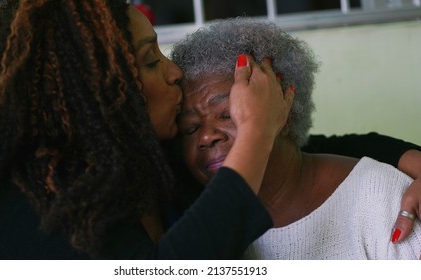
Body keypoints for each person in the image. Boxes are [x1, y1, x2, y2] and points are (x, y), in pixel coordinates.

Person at [0, 0, 293, 259]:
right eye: (151, 61)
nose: (175, 71)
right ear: (95, 91)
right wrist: (256, 128)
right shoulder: (30, 205)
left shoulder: (146, 163)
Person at [170, 17, 421, 259]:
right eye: (190, 129)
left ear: (284, 110)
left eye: (228, 114)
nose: (206, 136)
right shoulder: (194, 224)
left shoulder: (378, 199)